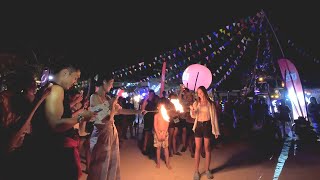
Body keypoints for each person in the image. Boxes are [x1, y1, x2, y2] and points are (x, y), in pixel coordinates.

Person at [27, 59, 95, 180]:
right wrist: (81, 117)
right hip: (53, 153)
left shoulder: (50, 88)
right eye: (75, 78)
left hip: (46, 151)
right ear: (65, 73)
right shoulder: (56, 90)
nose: (75, 82)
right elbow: (55, 124)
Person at [87, 73, 143, 180]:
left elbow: (121, 111)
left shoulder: (108, 97)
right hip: (101, 134)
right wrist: (111, 105)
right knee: (100, 164)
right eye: (111, 83)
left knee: (112, 163)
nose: (112, 86)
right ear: (104, 82)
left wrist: (138, 111)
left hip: (111, 132)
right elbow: (101, 117)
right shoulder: (94, 97)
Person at [0, 66, 51, 180]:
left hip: (22, 150)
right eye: (33, 83)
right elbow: (17, 132)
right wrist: (40, 100)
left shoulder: (22, 101)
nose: (35, 87)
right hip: (11, 153)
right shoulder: (6, 99)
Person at [190, 86, 220, 180]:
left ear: (204, 92)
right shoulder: (196, 103)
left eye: (201, 92)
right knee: (198, 148)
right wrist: (192, 110)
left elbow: (214, 117)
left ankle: (207, 170)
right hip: (198, 125)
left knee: (207, 148)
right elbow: (194, 116)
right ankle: (196, 171)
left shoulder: (210, 103)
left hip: (207, 126)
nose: (199, 94)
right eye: (198, 93)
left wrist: (216, 130)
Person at [153, 98, 172, 169]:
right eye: (160, 107)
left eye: (163, 107)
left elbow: (167, 124)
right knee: (158, 148)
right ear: (158, 108)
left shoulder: (166, 115)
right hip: (157, 133)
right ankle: (158, 163)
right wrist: (158, 133)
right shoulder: (156, 116)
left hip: (165, 133)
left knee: (166, 148)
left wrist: (164, 133)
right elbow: (155, 125)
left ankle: (167, 163)